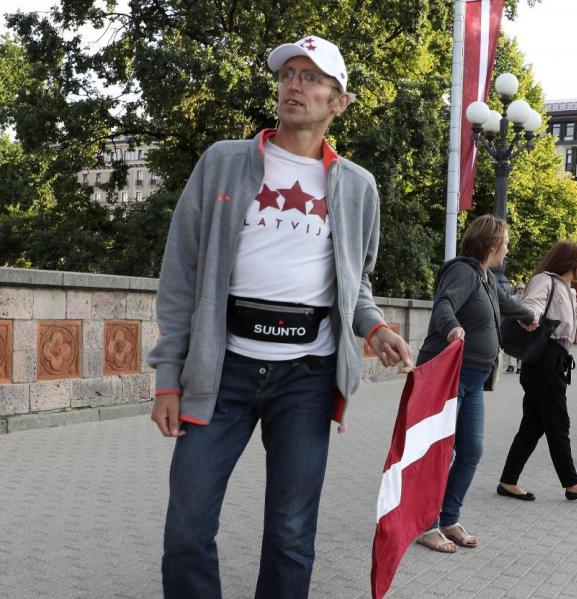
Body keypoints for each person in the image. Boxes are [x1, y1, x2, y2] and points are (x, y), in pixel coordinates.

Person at [147, 36, 414, 599]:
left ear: (338, 102)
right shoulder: (223, 162)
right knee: (187, 528)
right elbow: (181, 275)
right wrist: (168, 376)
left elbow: (355, 283)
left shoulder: (358, 187)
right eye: (289, 74)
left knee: (292, 535)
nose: (296, 85)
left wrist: (376, 327)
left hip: (307, 379)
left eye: (312, 78)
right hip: (220, 373)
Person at [414, 215, 536, 553]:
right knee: (440, 453)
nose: (508, 249)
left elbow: (507, 304)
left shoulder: (486, 278)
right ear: (492, 244)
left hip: (473, 379)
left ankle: (448, 518)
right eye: (506, 243)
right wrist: (452, 328)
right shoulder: (462, 271)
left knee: (471, 451)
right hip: (448, 377)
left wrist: (529, 316)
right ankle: (427, 525)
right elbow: (444, 304)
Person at [498, 241, 577, 501]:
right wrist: (531, 318)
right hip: (545, 357)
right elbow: (533, 305)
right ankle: (572, 483)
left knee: (533, 426)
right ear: (569, 261)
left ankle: (508, 481)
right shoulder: (544, 280)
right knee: (558, 422)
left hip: (553, 359)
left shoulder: (565, 288)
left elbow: (571, 310)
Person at [505, 282, 528, 373]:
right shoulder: (512, 298)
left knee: (522, 346)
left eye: (522, 289)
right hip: (513, 324)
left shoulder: (527, 299)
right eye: (518, 288)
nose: (520, 291)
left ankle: (520, 367)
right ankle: (511, 366)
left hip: (523, 325)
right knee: (511, 346)